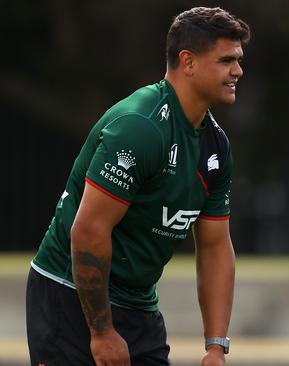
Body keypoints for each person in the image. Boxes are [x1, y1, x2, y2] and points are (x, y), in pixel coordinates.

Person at [26, 6, 250, 366]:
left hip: (138, 303)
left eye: (238, 60)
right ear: (188, 61)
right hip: (69, 295)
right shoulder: (140, 127)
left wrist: (215, 346)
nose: (238, 71)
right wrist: (101, 332)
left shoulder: (216, 146)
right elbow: (88, 230)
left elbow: (214, 247)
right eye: (226, 60)